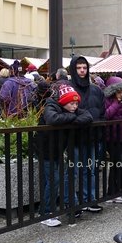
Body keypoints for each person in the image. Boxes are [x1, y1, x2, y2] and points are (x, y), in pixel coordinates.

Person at [36, 83, 93, 226]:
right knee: (54, 179)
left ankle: (47, 210)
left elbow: (88, 116)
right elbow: (52, 119)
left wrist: (72, 118)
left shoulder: (72, 110)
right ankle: (46, 213)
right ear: (64, 102)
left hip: (58, 149)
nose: (75, 107)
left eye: (76, 104)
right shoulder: (51, 106)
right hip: (45, 149)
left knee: (54, 179)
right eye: (72, 103)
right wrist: (72, 117)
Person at [65, 55, 105, 213]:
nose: (82, 71)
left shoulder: (96, 89)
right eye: (79, 68)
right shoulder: (67, 88)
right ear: (74, 69)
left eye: (84, 68)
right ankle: (73, 203)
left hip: (92, 136)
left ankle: (90, 199)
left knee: (91, 170)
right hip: (74, 137)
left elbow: (102, 112)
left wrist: (100, 131)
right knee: (74, 171)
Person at [103, 76, 122, 204]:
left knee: (120, 165)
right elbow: (107, 115)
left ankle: (118, 190)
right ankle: (111, 193)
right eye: (118, 91)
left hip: (120, 137)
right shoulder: (108, 101)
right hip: (111, 138)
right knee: (114, 165)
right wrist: (116, 103)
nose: (121, 94)